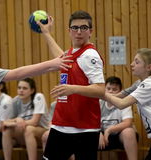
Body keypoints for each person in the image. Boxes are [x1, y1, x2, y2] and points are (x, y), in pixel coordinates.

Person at [38, 10, 105, 160]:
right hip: (61, 124)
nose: (79, 32)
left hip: (84, 128)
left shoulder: (90, 55)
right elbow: (61, 57)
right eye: (75, 28)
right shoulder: (73, 53)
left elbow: (100, 90)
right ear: (69, 31)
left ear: (90, 32)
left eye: (83, 28)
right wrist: (46, 33)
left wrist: (72, 88)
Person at [2, 78, 49, 160]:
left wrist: (18, 122)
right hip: (24, 134)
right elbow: (5, 122)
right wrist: (17, 119)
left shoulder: (38, 97)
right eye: (19, 88)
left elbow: (34, 122)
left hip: (42, 133)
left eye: (24, 88)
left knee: (29, 129)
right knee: (6, 130)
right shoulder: (16, 100)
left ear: (32, 90)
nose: (21, 91)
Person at [99, 76, 138, 160]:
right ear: (104, 89)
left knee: (129, 131)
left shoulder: (123, 102)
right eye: (108, 88)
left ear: (120, 91)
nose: (111, 91)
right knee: (85, 134)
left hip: (119, 136)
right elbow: (91, 122)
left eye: (114, 89)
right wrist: (99, 133)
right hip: (102, 136)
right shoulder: (99, 102)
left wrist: (108, 130)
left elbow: (128, 122)